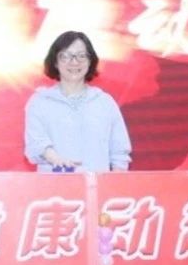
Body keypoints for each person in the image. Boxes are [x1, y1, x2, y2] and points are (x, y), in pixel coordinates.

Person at [24, 31, 131, 172]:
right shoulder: (40, 102)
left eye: (81, 56)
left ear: (90, 61)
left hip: (97, 184)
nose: (74, 62)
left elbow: (119, 153)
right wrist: (57, 160)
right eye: (66, 56)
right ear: (55, 62)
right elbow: (36, 143)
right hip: (54, 184)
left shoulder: (104, 102)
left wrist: (116, 182)